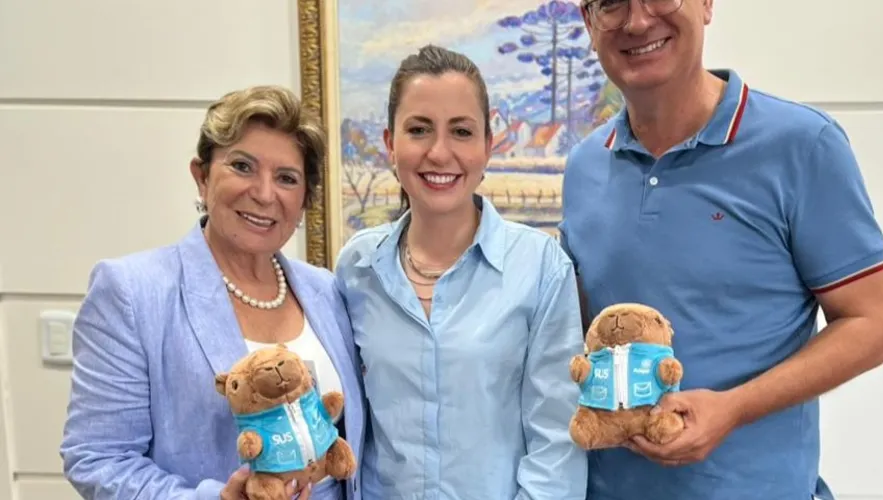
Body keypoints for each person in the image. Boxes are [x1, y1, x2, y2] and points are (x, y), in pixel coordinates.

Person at [559, 1, 883, 499]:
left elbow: (875, 323)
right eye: (611, 3)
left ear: (706, 5)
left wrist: (735, 408)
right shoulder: (584, 167)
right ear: (590, 24)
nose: (637, 21)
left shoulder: (804, 147)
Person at [60, 85, 365, 500]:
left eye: (287, 178)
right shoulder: (131, 292)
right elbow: (97, 458)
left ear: (304, 200)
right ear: (202, 177)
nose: (263, 193)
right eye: (242, 166)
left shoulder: (326, 290)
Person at [333, 44, 588, 499]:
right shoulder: (357, 269)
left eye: (462, 131)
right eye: (419, 130)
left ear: (488, 146)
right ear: (390, 144)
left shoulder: (540, 268)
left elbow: (558, 442)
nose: (439, 152)